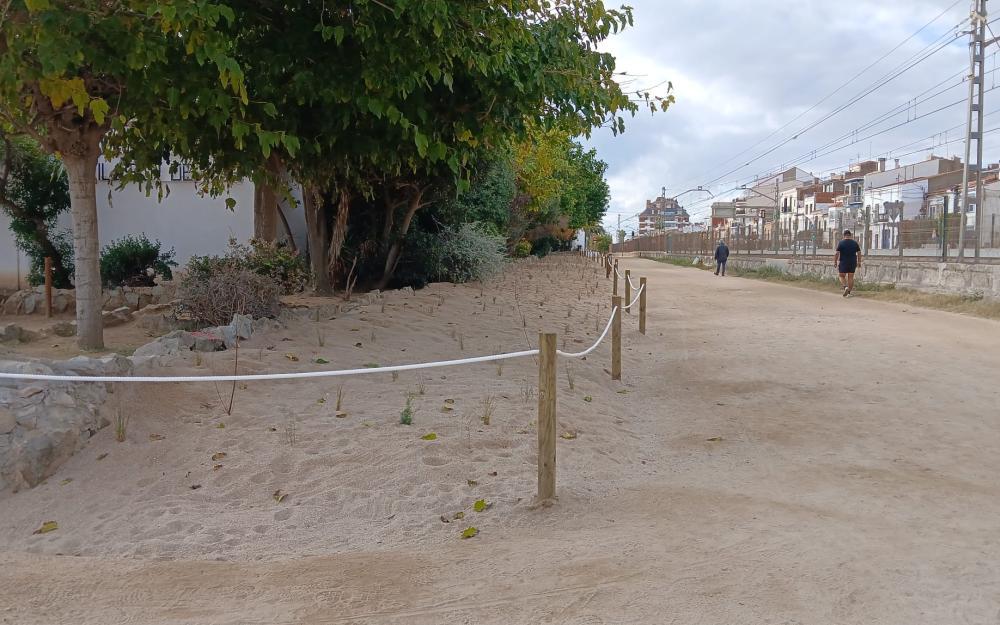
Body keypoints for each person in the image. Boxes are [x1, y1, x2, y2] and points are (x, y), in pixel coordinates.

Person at [834, 229, 862, 297]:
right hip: (853, 262)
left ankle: (845, 287)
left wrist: (835, 262)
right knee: (851, 277)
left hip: (844, 262)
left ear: (844, 235)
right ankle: (849, 292)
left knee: (841, 276)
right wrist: (859, 262)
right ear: (850, 235)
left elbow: (837, 253)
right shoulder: (855, 243)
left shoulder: (841, 243)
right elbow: (859, 253)